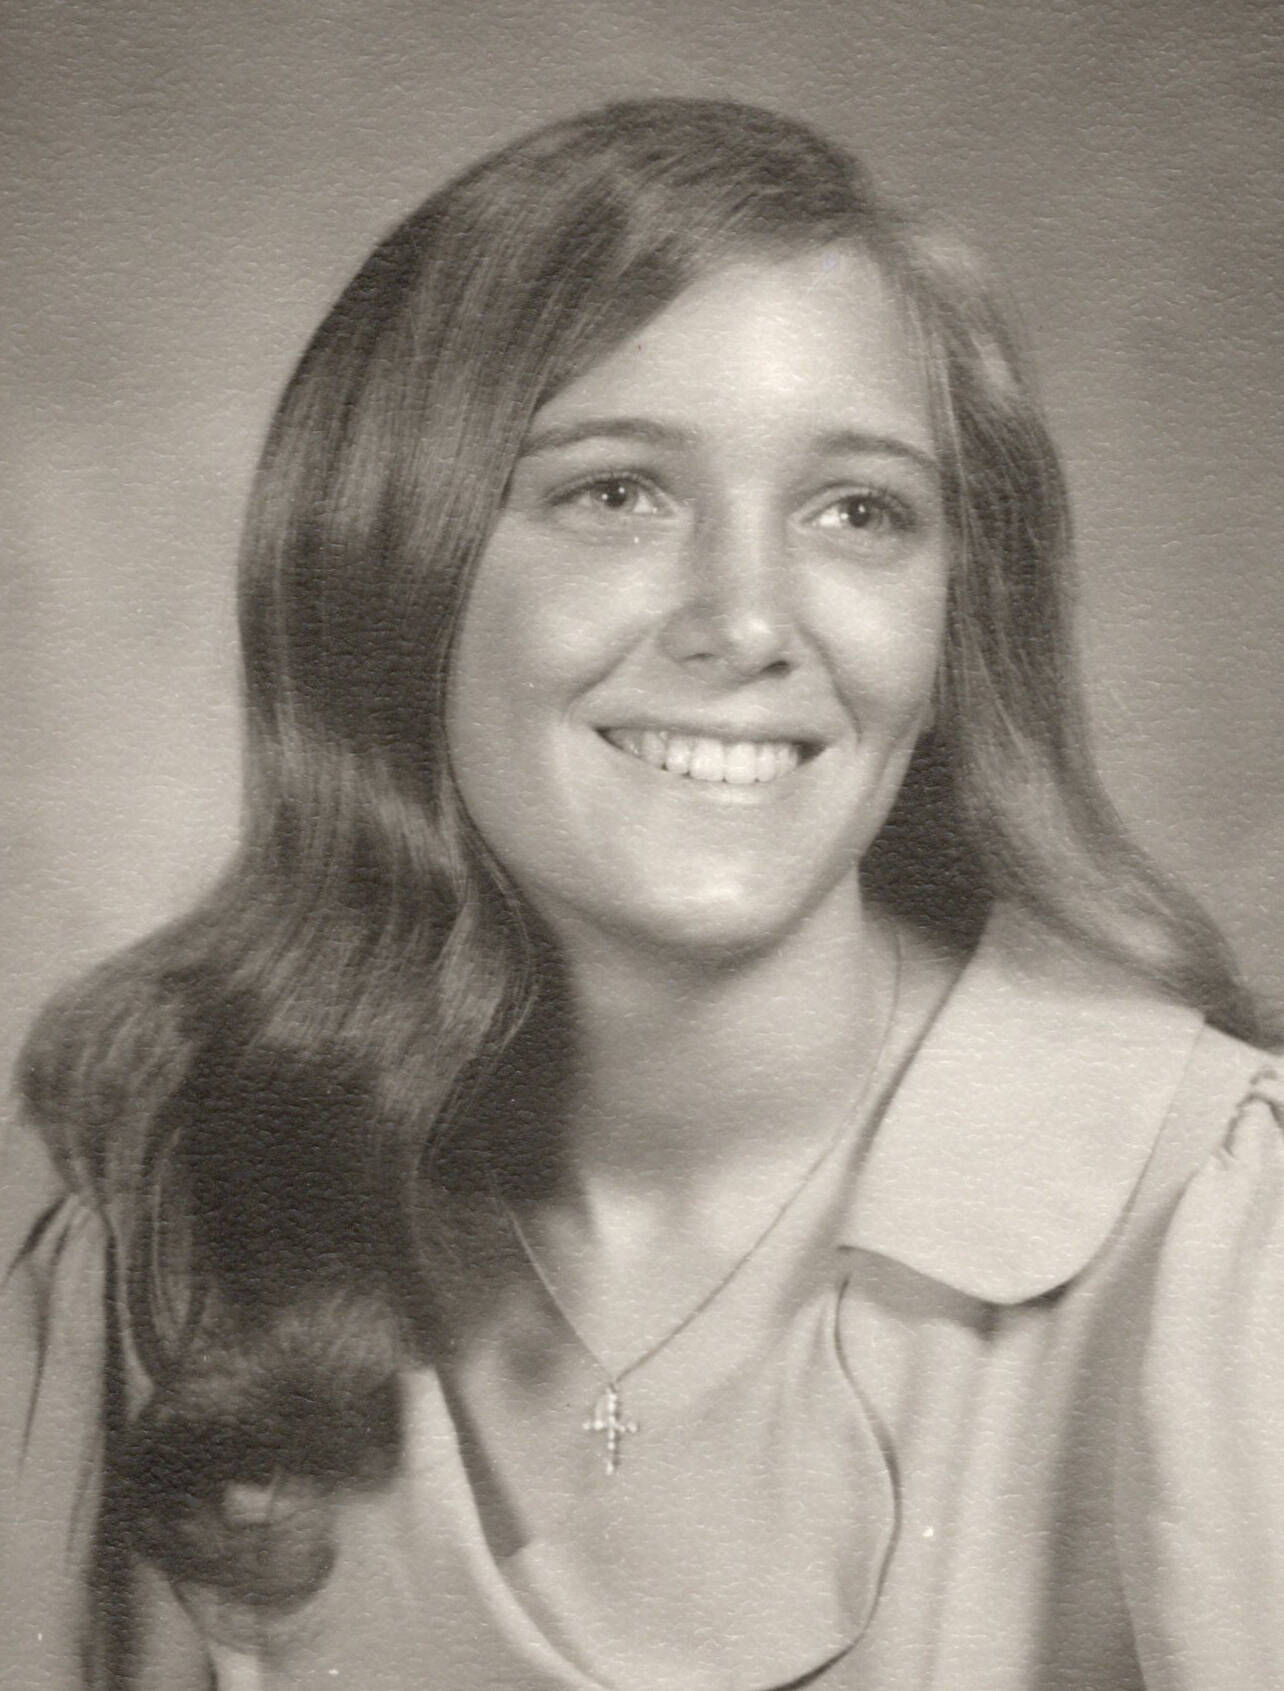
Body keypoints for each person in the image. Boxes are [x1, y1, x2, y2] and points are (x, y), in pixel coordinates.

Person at [2, 97, 1281, 1691]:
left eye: (859, 511)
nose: (747, 621)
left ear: (960, 618)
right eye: (617, 492)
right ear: (392, 567)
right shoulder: (172, 1230)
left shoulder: (1227, 1233)